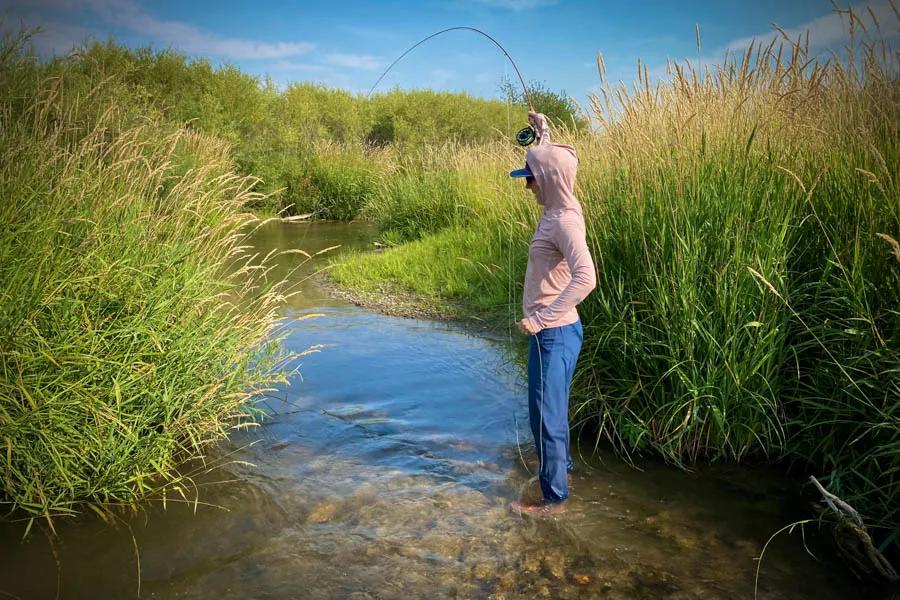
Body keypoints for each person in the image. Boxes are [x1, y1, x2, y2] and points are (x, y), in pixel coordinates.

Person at [508, 111, 597, 518]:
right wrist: (543, 131)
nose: (526, 185)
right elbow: (557, 160)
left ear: (545, 179)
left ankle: (555, 501)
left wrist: (540, 319)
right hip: (561, 333)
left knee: (544, 418)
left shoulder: (564, 222)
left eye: (529, 177)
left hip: (553, 333)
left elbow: (586, 278)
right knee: (551, 410)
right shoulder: (561, 203)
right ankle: (563, 471)